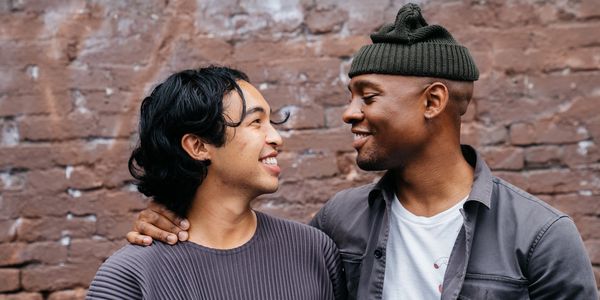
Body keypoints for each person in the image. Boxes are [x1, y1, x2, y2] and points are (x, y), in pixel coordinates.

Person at [125, 4, 598, 300]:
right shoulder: (338, 224)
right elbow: (246, 256)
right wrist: (171, 209)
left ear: (433, 102)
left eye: (367, 97)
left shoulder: (540, 236)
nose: (349, 114)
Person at [87, 66, 347, 300]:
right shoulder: (129, 277)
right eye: (256, 122)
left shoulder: (314, 250)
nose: (277, 138)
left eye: (271, 121)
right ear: (198, 146)